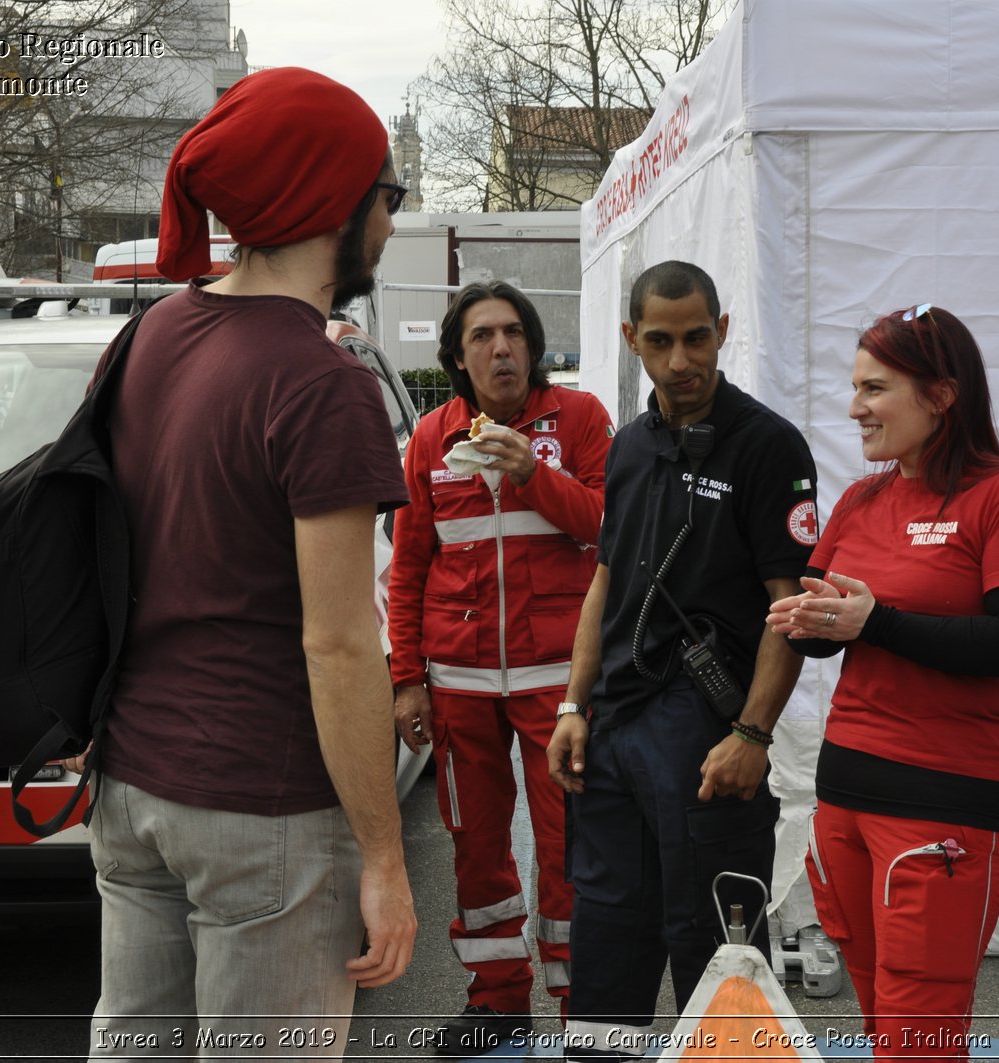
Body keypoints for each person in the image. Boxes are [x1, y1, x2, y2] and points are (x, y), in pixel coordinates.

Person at [84, 67, 416, 1057]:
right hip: (261, 805)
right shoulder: (320, 381)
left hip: (133, 786)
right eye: (387, 197)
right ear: (334, 202)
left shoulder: (150, 336)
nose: (392, 224)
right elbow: (341, 643)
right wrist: (387, 859)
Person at [767, 303, 999, 1059]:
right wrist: (812, 624)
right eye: (855, 386)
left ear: (941, 395)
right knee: (883, 1029)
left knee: (918, 1040)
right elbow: (832, 629)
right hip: (846, 797)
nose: (854, 406)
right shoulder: (864, 499)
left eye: (876, 388)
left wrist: (877, 622)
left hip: (944, 806)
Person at [545, 260, 818, 1060]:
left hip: (707, 745)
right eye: (659, 341)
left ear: (722, 330)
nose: (681, 360)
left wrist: (752, 733)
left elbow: (790, 607)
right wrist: (572, 705)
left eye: (697, 337)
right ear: (632, 340)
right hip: (616, 734)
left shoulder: (767, 445)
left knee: (720, 962)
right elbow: (603, 581)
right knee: (606, 955)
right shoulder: (626, 447)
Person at [388, 282, 613, 1054]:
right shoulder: (429, 437)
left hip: (560, 684)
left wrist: (532, 474)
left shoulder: (578, 420)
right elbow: (409, 565)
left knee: (570, 849)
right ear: (457, 353)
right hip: (458, 685)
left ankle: (585, 1008)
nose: (502, 348)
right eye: (482, 335)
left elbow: (610, 527)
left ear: (535, 344)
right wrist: (406, 677)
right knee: (475, 846)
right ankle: (498, 1000)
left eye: (514, 332)